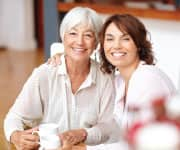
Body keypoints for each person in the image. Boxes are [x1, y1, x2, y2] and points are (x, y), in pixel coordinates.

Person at [54, 14, 176, 150]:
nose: (116, 46)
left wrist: (83, 149)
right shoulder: (120, 81)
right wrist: (82, 134)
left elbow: (140, 142)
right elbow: (114, 125)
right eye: (110, 39)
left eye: (125, 39)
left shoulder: (147, 78)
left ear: (138, 45)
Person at [4, 7, 119, 150]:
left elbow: (108, 127)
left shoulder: (105, 77)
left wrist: (82, 134)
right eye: (73, 33)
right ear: (63, 38)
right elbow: (14, 117)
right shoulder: (44, 74)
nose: (80, 42)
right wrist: (15, 136)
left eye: (88, 35)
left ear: (96, 43)